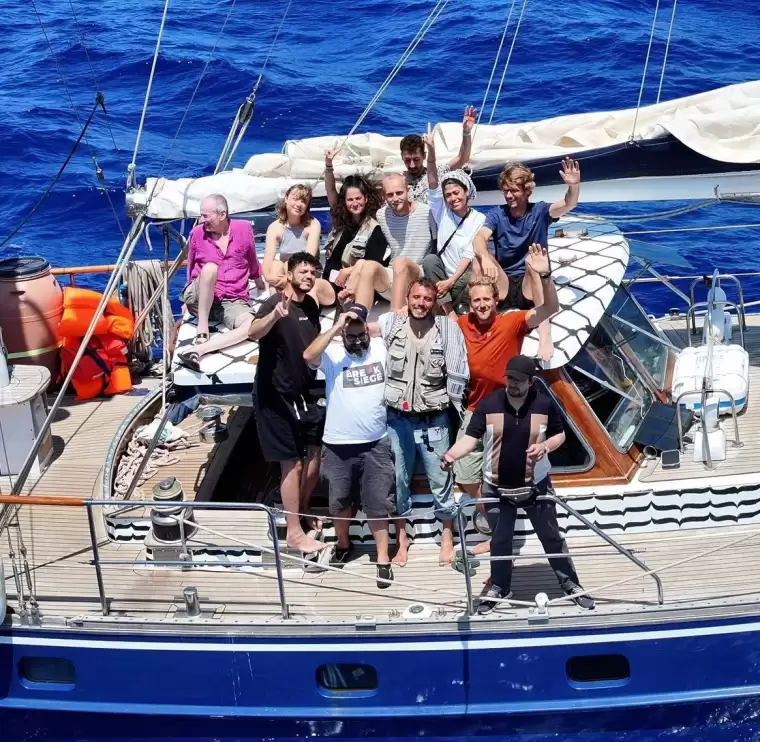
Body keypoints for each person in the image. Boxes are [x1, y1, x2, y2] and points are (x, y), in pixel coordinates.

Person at [441, 354, 595, 614]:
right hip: (495, 487)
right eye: (510, 378)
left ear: (531, 381)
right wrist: (450, 456)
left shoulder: (544, 403)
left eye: (519, 380)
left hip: (537, 485)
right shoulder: (489, 404)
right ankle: (500, 587)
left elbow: (559, 434)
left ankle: (570, 584)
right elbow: (470, 438)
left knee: (551, 537)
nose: (512, 383)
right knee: (500, 540)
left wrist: (545, 447)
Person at [454, 245, 560, 554]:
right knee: (465, 473)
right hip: (476, 409)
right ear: (470, 304)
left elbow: (549, 309)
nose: (482, 305)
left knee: (510, 474)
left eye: (487, 299)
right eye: (476, 300)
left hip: (509, 410)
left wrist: (544, 275)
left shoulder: (511, 322)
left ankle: (502, 539)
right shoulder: (461, 325)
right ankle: (499, 529)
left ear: (496, 300)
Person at [368, 278, 469, 567]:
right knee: (399, 481)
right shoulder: (391, 323)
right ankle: (402, 539)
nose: (420, 304)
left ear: (434, 302)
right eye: (415, 297)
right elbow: (361, 329)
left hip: (434, 421)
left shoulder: (447, 329)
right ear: (407, 299)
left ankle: (447, 537)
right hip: (397, 421)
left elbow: (459, 370)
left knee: (441, 480)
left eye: (426, 299)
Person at [302, 303, 396, 589]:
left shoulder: (380, 347)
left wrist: (367, 326)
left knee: (378, 503)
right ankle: (343, 544)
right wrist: (336, 326)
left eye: (360, 334)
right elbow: (308, 355)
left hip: (377, 442)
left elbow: (400, 322)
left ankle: (382, 559)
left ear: (368, 330)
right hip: (338, 443)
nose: (356, 341)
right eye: (350, 336)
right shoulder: (332, 353)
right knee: (339, 502)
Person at [249, 252, 326, 554]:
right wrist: (275, 316)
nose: (309, 276)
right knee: (292, 464)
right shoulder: (274, 303)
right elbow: (253, 332)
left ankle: (302, 511)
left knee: (315, 453)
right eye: (303, 271)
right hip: (275, 396)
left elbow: (312, 346)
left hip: (303, 394)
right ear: (290, 274)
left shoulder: (311, 306)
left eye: (313, 272)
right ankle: (294, 533)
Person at [472, 158, 581, 362]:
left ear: (527, 190)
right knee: (477, 261)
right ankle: (474, 325)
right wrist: (485, 256)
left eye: (514, 190)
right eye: (506, 190)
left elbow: (569, 204)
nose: (508, 195)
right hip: (504, 285)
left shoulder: (540, 212)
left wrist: (573, 186)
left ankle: (545, 334)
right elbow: (479, 238)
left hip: (529, 287)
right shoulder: (497, 214)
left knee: (534, 262)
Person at [180, 194, 264, 345]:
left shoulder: (244, 229)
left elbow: (252, 260)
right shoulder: (197, 234)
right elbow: (191, 268)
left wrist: (260, 284)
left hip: (233, 300)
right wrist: (187, 301)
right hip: (200, 300)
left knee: (251, 326)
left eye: (206, 215)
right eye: (201, 215)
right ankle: (202, 328)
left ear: (222, 215)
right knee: (210, 268)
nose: (201, 220)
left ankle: (203, 349)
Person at [421, 133, 485, 318]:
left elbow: (469, 254)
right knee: (429, 260)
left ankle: (445, 302)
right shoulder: (443, 212)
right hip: (442, 277)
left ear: (466, 192)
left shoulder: (479, 219)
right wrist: (431, 152)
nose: (453, 198)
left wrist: (451, 281)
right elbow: (432, 182)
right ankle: (449, 311)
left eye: (456, 193)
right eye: (448, 195)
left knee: (474, 273)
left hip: (462, 278)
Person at [321, 158, 391, 309]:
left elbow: (373, 264)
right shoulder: (341, 222)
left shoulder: (375, 228)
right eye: (350, 199)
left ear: (366, 198)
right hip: (331, 283)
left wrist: (347, 271)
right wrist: (328, 165)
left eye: (358, 198)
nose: (354, 203)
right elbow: (330, 190)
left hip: (354, 287)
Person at [263, 184, 334, 306]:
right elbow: (267, 261)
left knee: (286, 264)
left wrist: (286, 277)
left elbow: (308, 259)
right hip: (286, 274)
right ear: (286, 198)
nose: (299, 204)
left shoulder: (313, 225)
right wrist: (270, 277)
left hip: (307, 272)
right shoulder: (274, 227)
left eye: (303, 201)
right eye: (295, 199)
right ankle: (276, 306)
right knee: (275, 265)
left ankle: (299, 308)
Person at [375, 173, 436, 311]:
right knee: (367, 266)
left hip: (418, 275)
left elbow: (437, 245)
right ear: (383, 196)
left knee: (400, 262)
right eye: (390, 195)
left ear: (408, 191)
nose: (395, 198)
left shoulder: (427, 212)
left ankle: (394, 316)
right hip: (395, 274)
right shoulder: (381, 215)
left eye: (399, 193)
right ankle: (355, 316)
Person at [402, 105, 477, 203]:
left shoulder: (438, 173)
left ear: (424, 155)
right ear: (402, 157)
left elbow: (462, 159)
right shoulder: (397, 182)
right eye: (407, 160)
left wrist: (466, 132)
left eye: (416, 159)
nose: (412, 165)